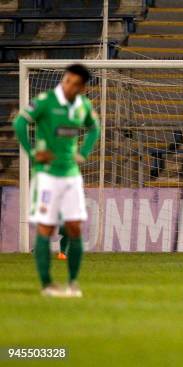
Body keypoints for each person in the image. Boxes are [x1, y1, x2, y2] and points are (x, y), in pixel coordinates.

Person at [12, 64, 100, 297]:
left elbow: (94, 129)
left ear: (81, 87)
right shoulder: (45, 101)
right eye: (67, 79)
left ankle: (72, 283)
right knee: (46, 227)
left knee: (75, 228)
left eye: (74, 82)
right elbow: (19, 123)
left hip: (71, 175)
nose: (68, 84)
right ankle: (47, 284)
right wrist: (32, 152)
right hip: (47, 175)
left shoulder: (83, 106)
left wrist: (84, 152)